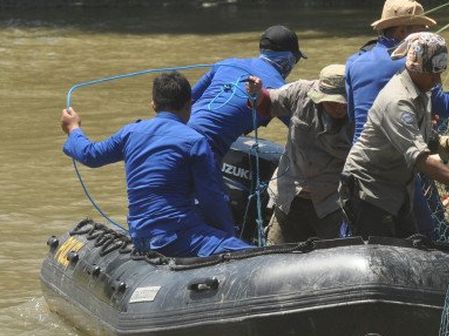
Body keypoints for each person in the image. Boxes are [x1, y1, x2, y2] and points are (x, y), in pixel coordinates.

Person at [61, 72, 250, 258]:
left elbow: (91, 155)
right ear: (189, 104)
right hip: (176, 238)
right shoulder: (195, 142)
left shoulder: (130, 133)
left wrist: (73, 129)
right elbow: (212, 199)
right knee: (248, 253)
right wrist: (227, 236)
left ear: (153, 105)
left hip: (141, 236)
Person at [344, 0, 449, 238]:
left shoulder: (356, 62)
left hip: (397, 167)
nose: (438, 81)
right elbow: (443, 107)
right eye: (419, 28)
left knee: (408, 240)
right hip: (375, 178)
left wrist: (441, 142)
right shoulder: (406, 75)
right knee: (418, 237)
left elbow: (352, 117)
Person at [245, 64, 353, 244]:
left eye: (343, 103)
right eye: (333, 103)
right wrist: (256, 92)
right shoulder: (301, 92)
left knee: (335, 257)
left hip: (331, 201)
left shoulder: (360, 108)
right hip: (289, 194)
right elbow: (268, 102)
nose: (339, 108)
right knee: (277, 255)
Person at [189, 25, 306, 167]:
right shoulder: (280, 90)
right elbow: (304, 133)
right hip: (205, 146)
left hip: (174, 131)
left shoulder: (227, 63)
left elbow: (186, 101)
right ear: (289, 58)